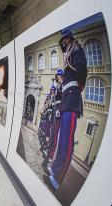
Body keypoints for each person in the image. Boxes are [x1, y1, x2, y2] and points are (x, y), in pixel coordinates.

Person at [46, 30, 87, 190]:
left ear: (69, 39)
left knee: (67, 141)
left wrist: (77, 88)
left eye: (65, 40)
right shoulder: (70, 53)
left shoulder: (76, 50)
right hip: (66, 101)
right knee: (62, 139)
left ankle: (57, 177)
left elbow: (82, 71)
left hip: (72, 99)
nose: (63, 43)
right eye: (62, 41)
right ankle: (54, 168)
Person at [43, 69, 64, 170]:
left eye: (58, 76)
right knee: (51, 134)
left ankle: (50, 157)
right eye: (57, 76)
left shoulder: (63, 85)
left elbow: (63, 98)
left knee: (54, 134)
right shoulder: (57, 87)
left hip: (58, 110)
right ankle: (48, 153)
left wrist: (59, 109)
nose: (57, 77)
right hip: (54, 111)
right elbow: (53, 100)